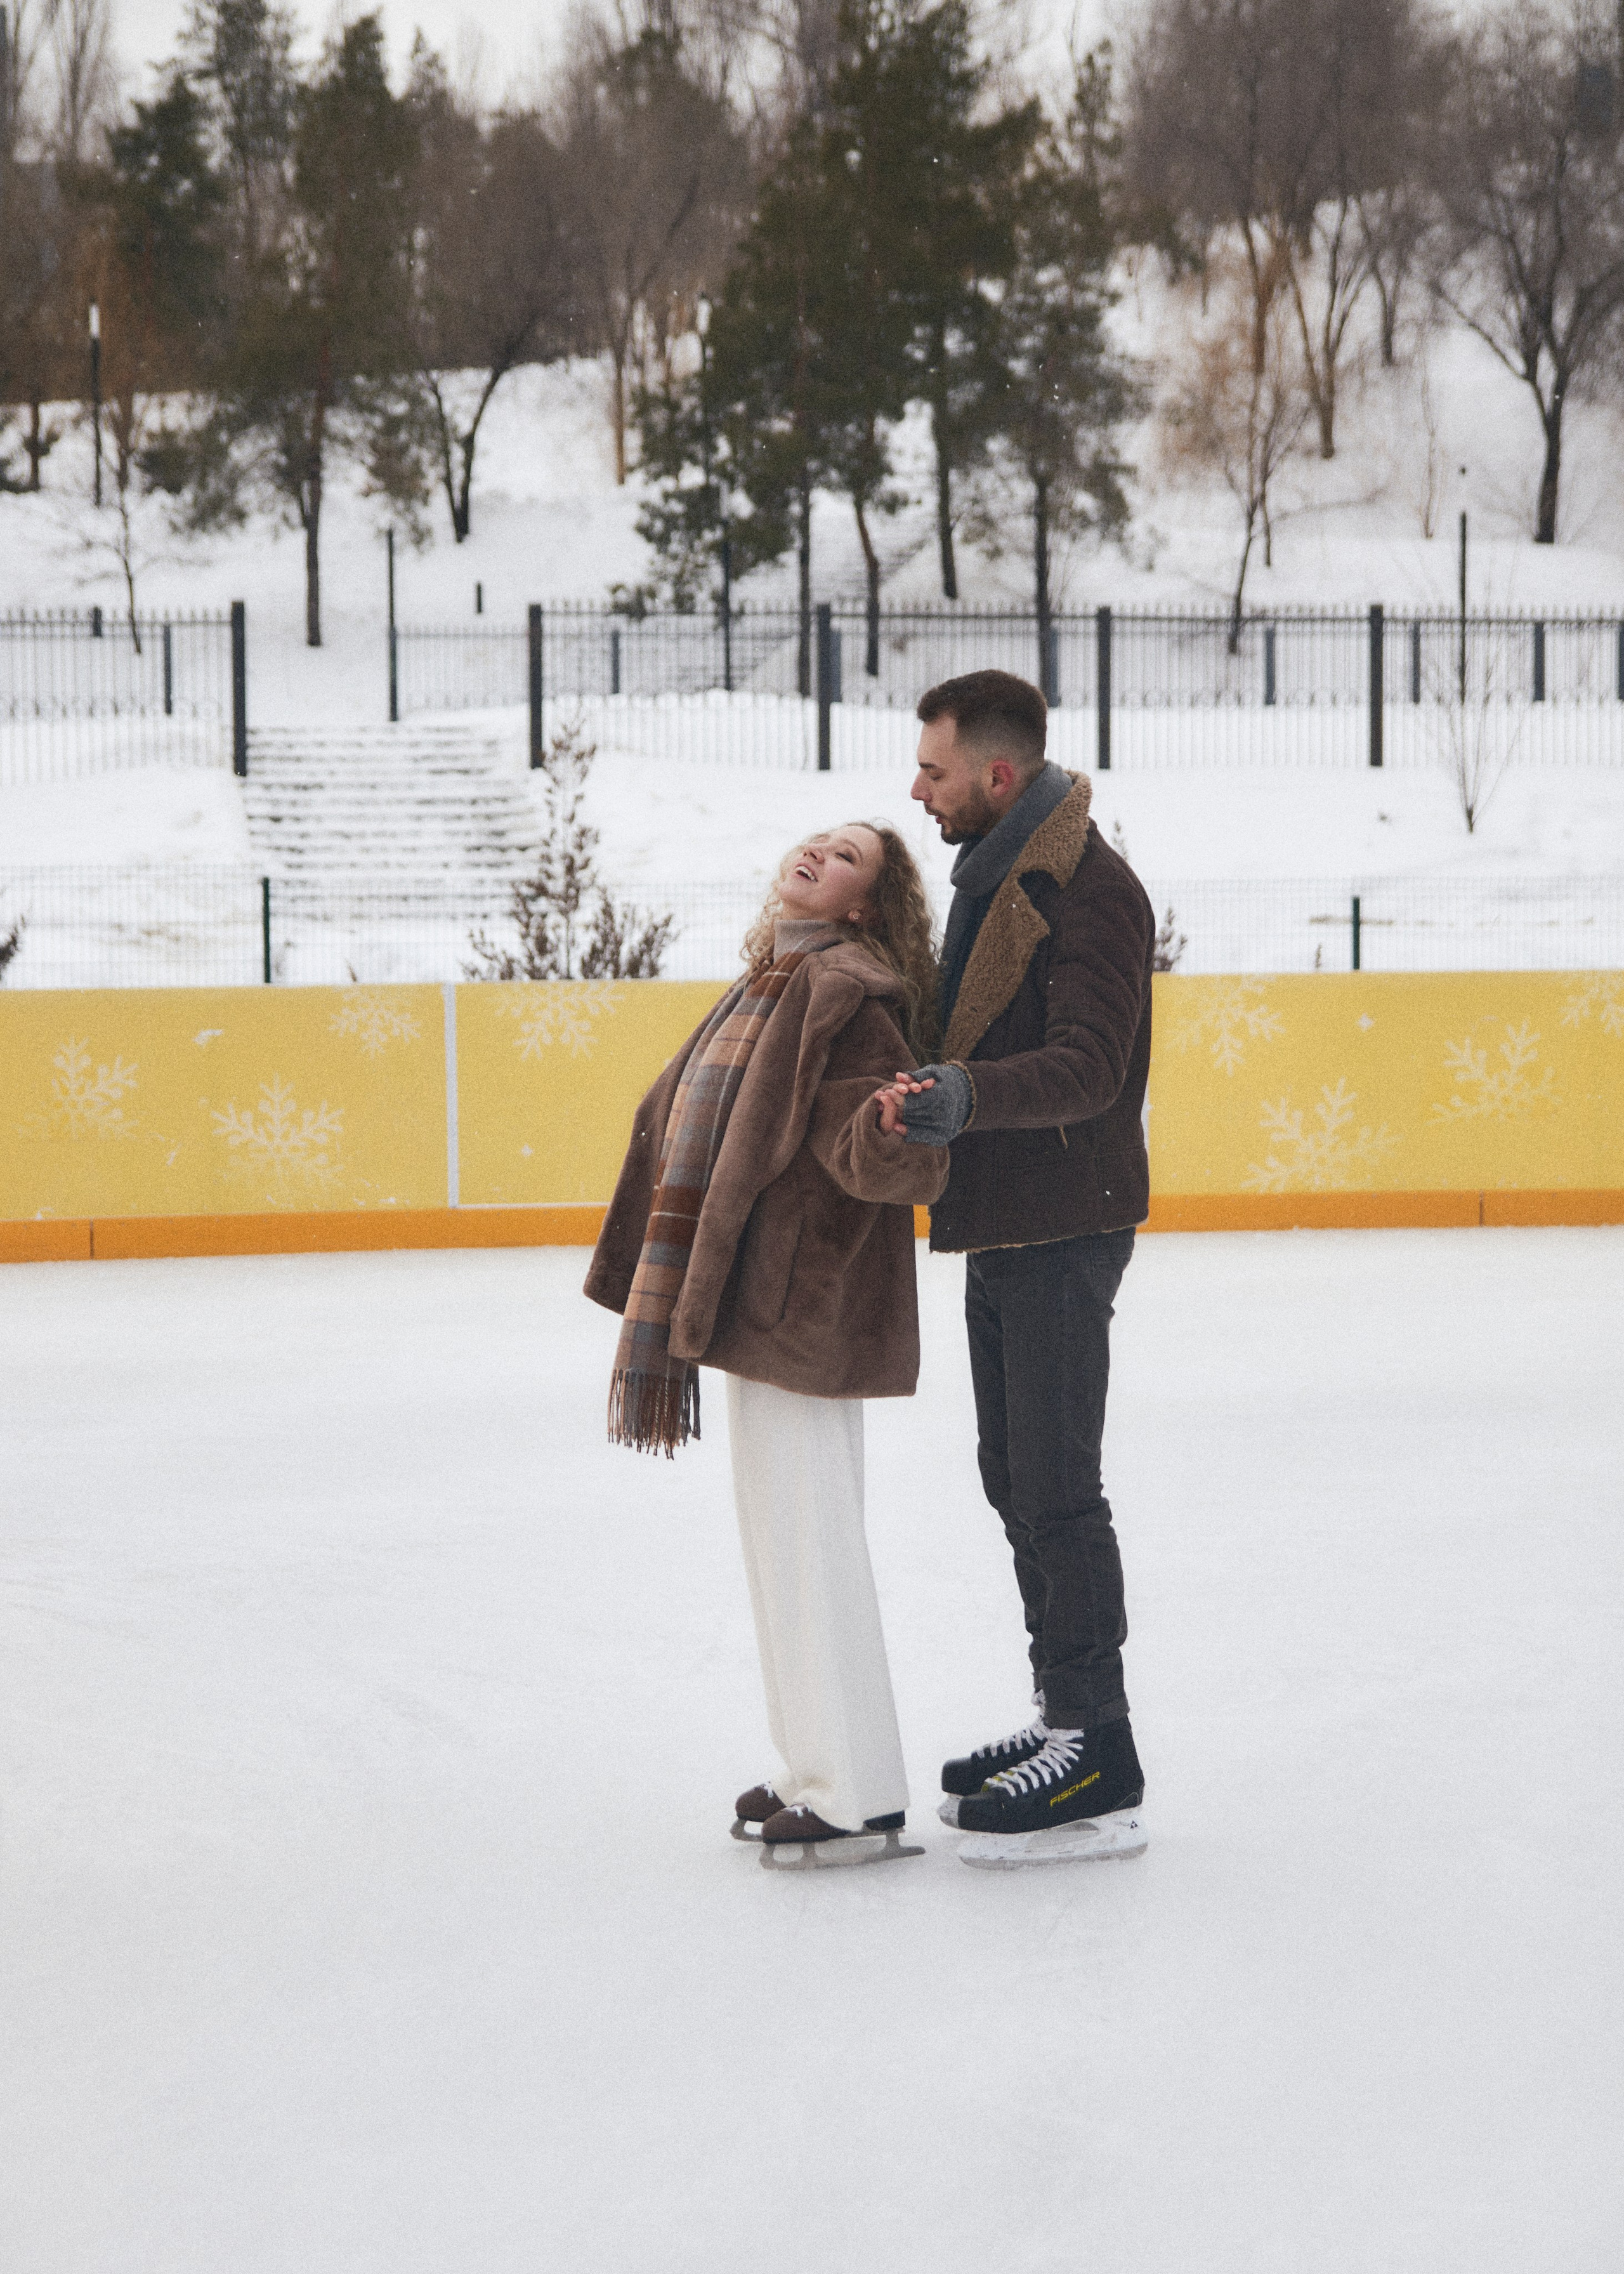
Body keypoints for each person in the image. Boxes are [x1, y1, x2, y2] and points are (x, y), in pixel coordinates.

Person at [584, 822, 949, 1855]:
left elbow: (878, 1151)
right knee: (779, 1540)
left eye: (844, 859)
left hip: (807, 1299)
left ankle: (858, 1793)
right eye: (814, 844)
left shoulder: (848, 992)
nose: (815, 856)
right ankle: (813, 1765)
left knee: (811, 1543)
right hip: (762, 1298)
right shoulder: (769, 982)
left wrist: (888, 1129)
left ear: (864, 908)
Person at [876, 669, 1155, 1860]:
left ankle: (1098, 1740)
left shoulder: (1089, 890)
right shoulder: (993, 882)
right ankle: (1060, 1716)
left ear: (998, 775)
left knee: (1057, 1487)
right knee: (1013, 1477)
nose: (918, 788)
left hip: (1064, 1223)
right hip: (1007, 1223)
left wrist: (966, 1095)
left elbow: (1090, 1065)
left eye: (934, 769)